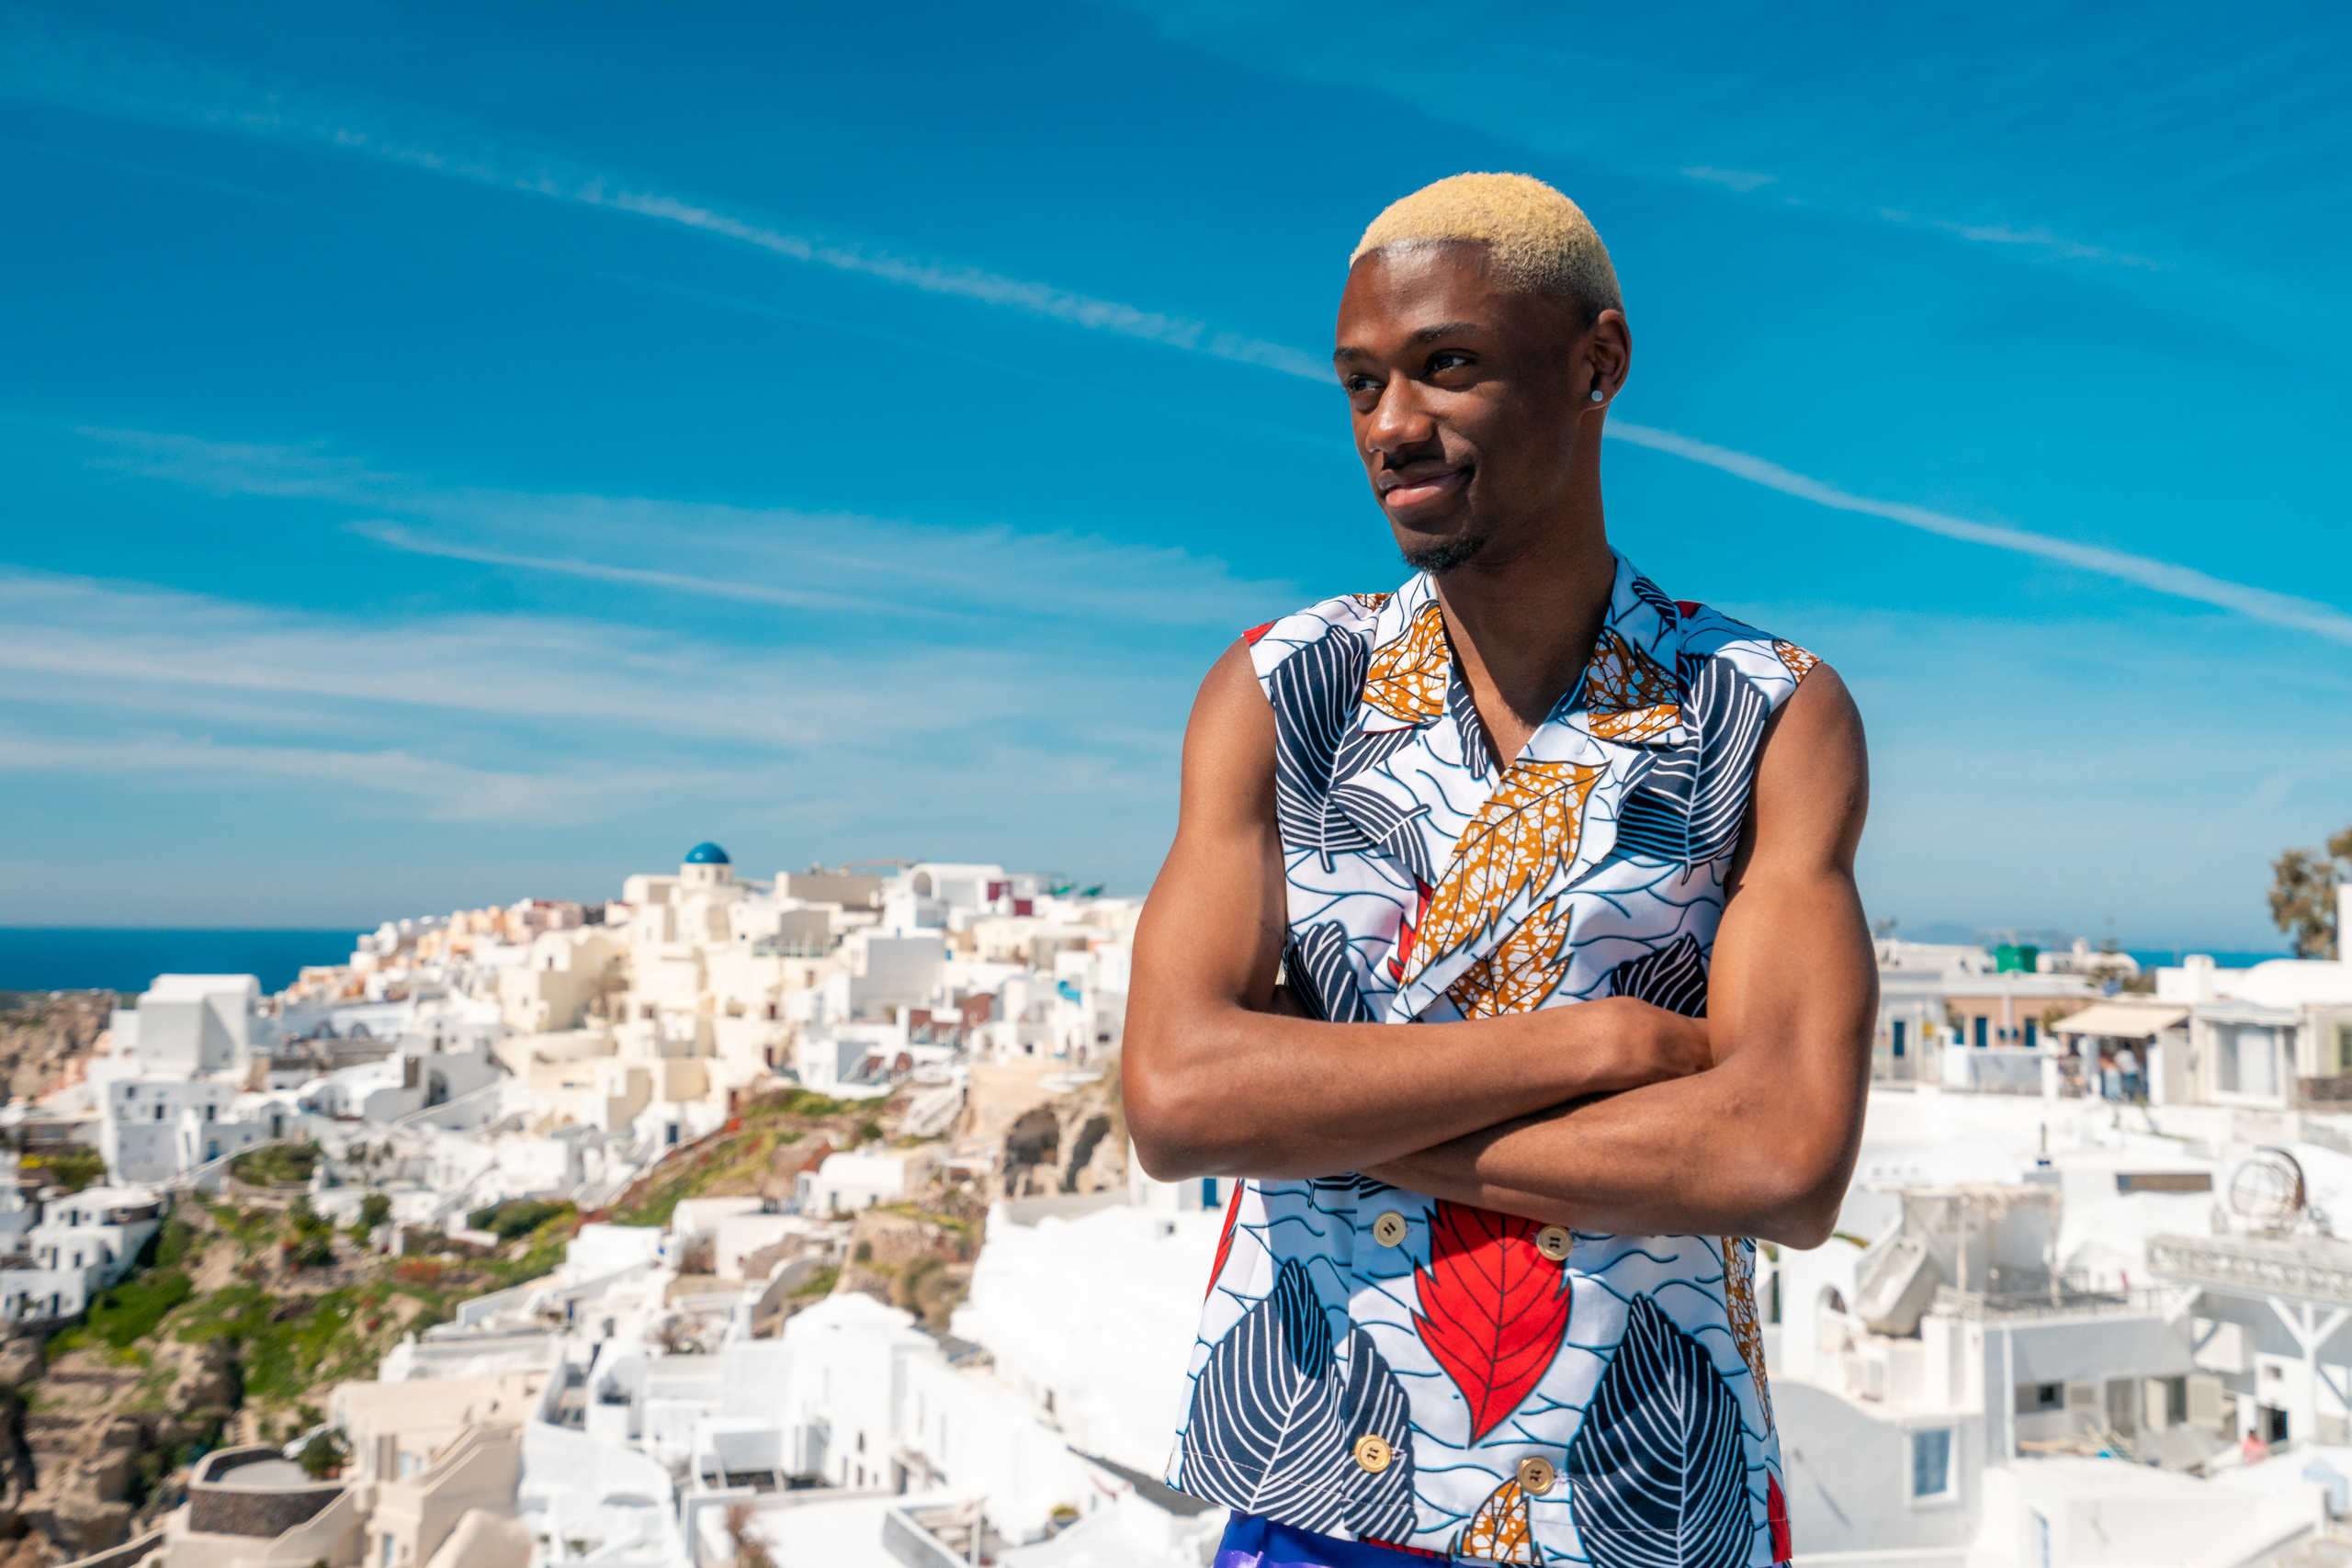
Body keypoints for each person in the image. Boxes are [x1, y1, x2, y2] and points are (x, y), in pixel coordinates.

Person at [1123, 173, 1878, 1568]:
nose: (1391, 425)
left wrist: (1310, 1110)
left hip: (1640, 1499)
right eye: (1361, 385)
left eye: (1448, 365)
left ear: (1599, 361)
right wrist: (1601, 1046)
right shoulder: (1282, 688)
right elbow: (1175, 1099)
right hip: (1316, 1482)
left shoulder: (1766, 710)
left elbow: (1781, 1158)